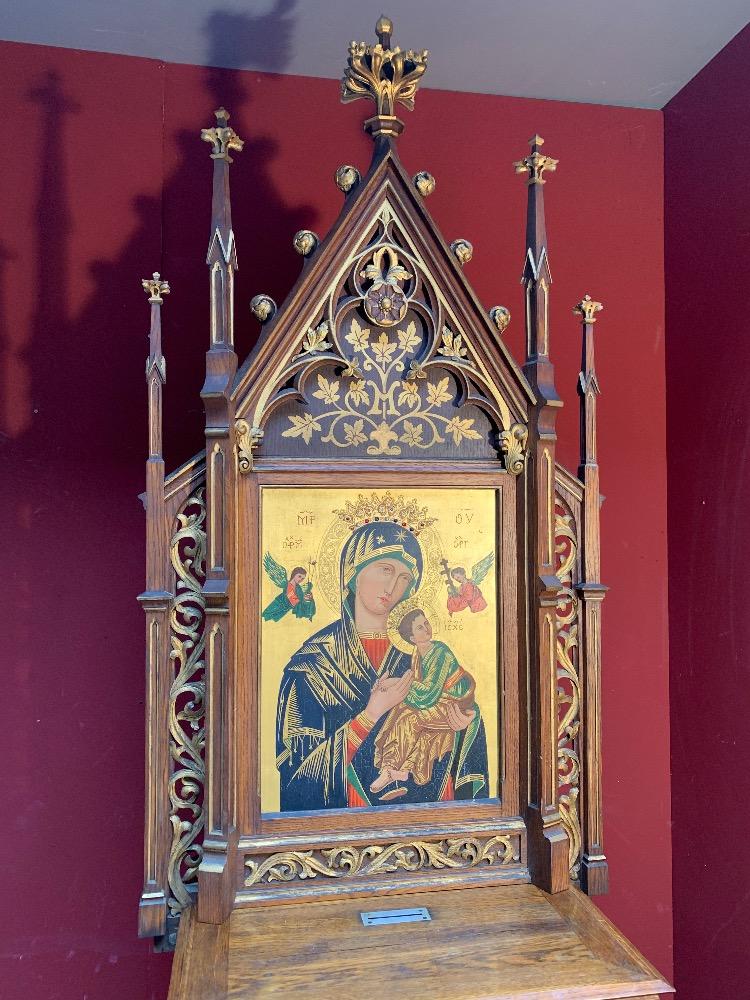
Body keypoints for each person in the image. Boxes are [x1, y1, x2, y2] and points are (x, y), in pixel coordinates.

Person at [275, 520, 489, 810]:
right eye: (385, 569)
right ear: (353, 572)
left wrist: (464, 722)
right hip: (342, 832)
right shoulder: (312, 665)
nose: (392, 586)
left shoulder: (417, 654)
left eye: (403, 578)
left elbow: (461, 704)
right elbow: (297, 778)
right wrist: (370, 715)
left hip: (426, 822)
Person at [371, 609, 479, 794]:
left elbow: (428, 693)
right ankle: (398, 770)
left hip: (455, 705)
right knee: (401, 709)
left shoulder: (440, 652)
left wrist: (395, 683)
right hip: (439, 703)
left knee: (410, 719)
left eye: (426, 623)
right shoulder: (418, 654)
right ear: (412, 638)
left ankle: (391, 770)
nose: (426, 628)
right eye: (420, 627)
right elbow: (421, 692)